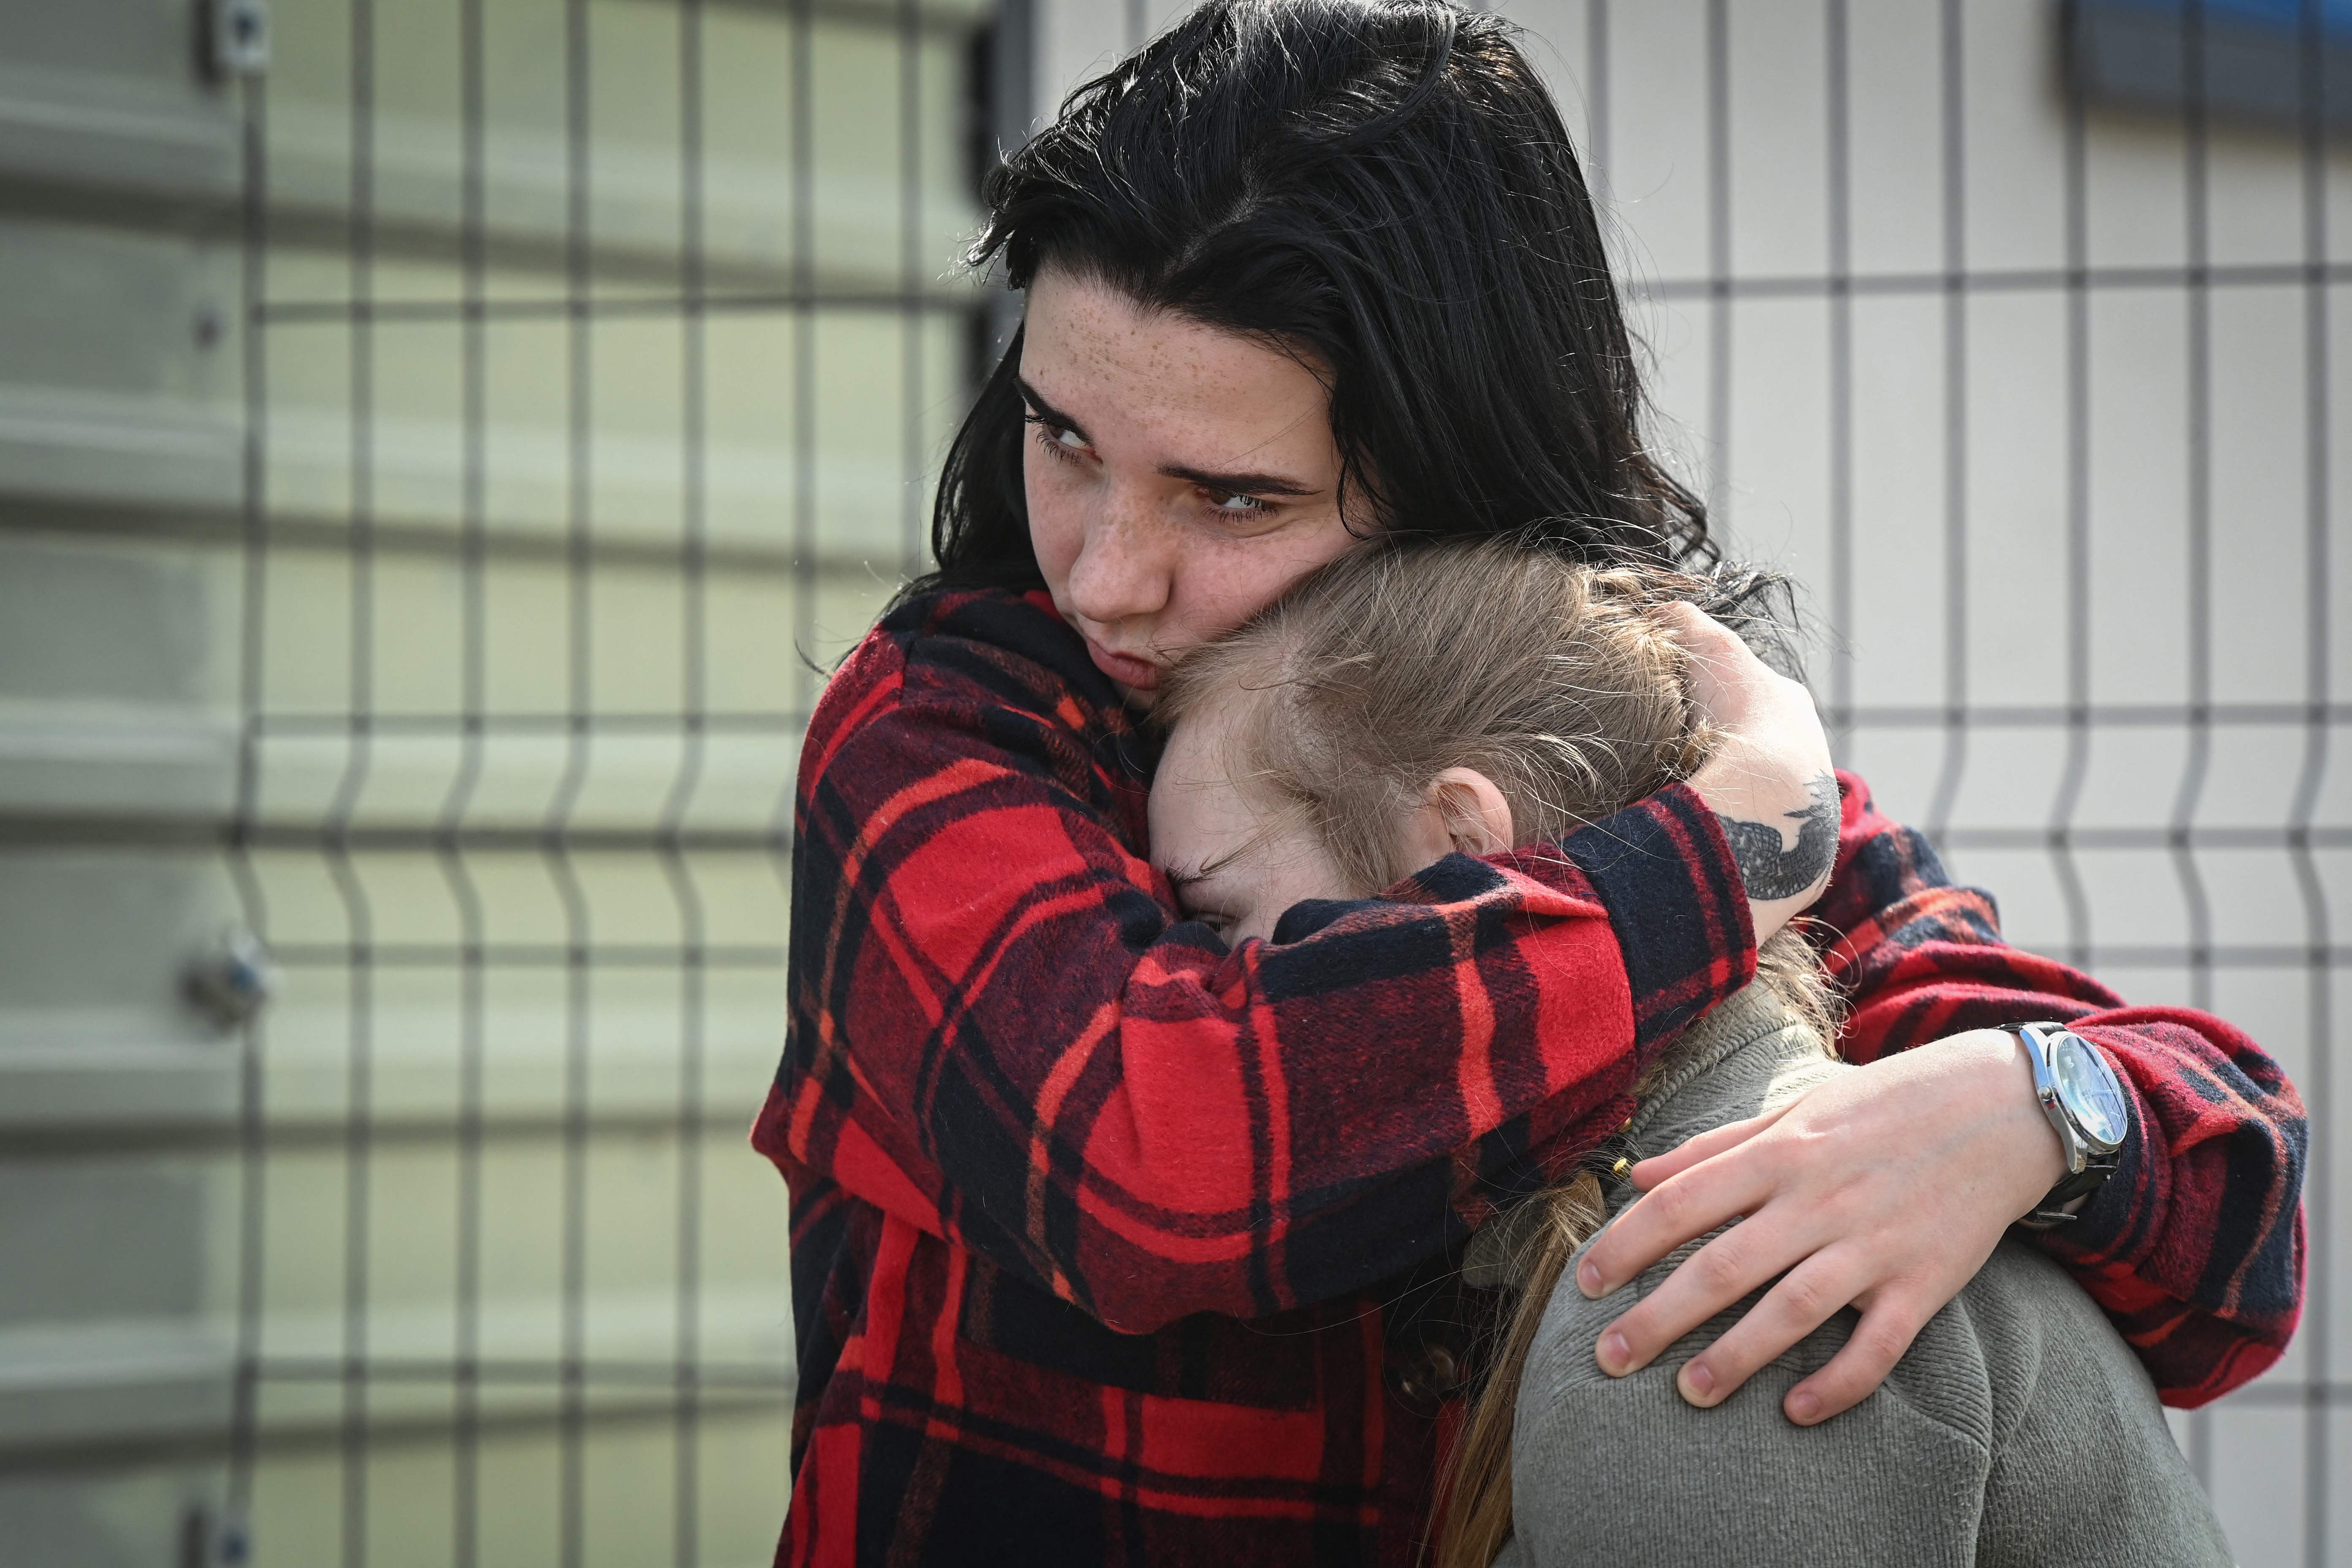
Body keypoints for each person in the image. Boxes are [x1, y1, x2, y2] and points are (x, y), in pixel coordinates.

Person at [753, 3, 2303, 1563]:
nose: (1102, 574)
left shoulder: (1635, 743)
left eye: (1231, 496)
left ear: (1455, 474)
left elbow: (2233, 1246)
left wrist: (2032, 1108)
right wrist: (1724, 850)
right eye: (1063, 438)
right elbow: (1154, 1168)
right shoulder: (940, 729)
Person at [1146, 537, 2232, 1568]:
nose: (1198, 985)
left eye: (1221, 911)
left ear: (1464, 848)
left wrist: (2044, 1097)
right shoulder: (1764, 1174)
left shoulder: (1714, 1288)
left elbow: (2245, 1176)